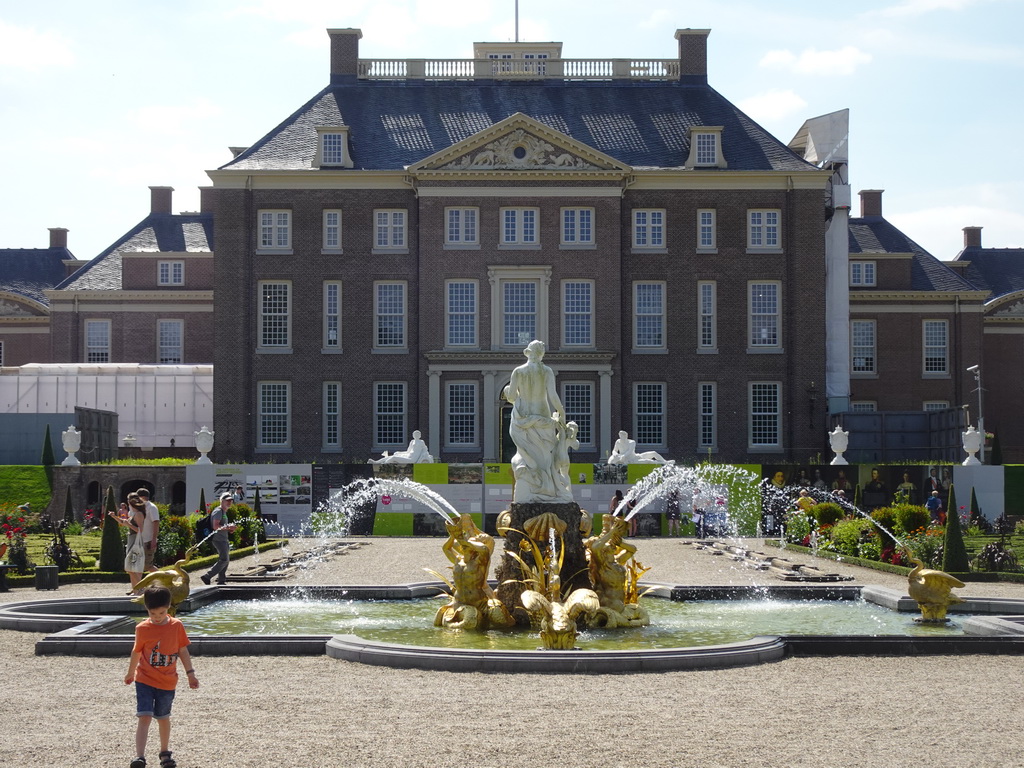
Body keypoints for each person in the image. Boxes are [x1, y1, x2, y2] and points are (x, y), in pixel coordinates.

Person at [124, 586, 198, 768]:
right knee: (145, 716)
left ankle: (165, 752)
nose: (157, 617)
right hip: (145, 680)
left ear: (169, 608)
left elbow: (183, 651)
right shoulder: (142, 628)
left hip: (167, 682)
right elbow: (136, 652)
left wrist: (191, 674)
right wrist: (130, 672)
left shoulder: (176, 626)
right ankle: (139, 756)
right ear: (147, 609)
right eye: (153, 613)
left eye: (162, 613)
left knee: (163, 717)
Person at [502, 340, 571, 503]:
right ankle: (549, 490)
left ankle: (533, 489)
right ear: (542, 354)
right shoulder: (546, 371)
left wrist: (509, 393)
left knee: (528, 456)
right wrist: (561, 412)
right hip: (544, 417)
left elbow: (511, 397)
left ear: (528, 353)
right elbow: (552, 396)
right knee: (546, 459)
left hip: (523, 419)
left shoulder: (518, 371)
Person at [110, 493, 147, 589]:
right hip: (131, 540)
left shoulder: (138, 514)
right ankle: (135, 590)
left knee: (132, 567)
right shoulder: (133, 514)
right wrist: (114, 516)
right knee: (131, 568)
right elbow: (123, 522)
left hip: (136, 541)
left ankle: (140, 588)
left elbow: (140, 530)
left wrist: (129, 525)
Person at [200, 493, 236, 585]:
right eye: (227, 500)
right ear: (222, 501)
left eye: (230, 500)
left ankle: (221, 580)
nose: (229, 502)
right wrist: (229, 527)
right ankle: (207, 576)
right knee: (224, 559)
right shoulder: (218, 511)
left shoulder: (223, 512)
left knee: (225, 560)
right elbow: (215, 526)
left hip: (223, 538)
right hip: (218, 539)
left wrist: (230, 529)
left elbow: (221, 526)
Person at [368, 430, 434, 464]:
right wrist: (400, 452)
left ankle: (383, 466)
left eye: (418, 434)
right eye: (415, 434)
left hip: (412, 459)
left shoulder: (421, 442)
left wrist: (426, 456)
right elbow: (408, 451)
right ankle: (376, 462)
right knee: (394, 455)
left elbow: (425, 450)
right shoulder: (412, 441)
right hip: (407, 456)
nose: (416, 435)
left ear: (420, 435)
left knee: (393, 458)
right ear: (413, 435)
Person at [136, 488, 160, 573]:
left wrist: (154, 539)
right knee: (139, 565)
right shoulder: (140, 507)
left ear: (140, 497)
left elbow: (156, 523)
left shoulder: (152, 507)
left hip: (148, 540)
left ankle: (163, 580)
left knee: (147, 566)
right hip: (140, 540)